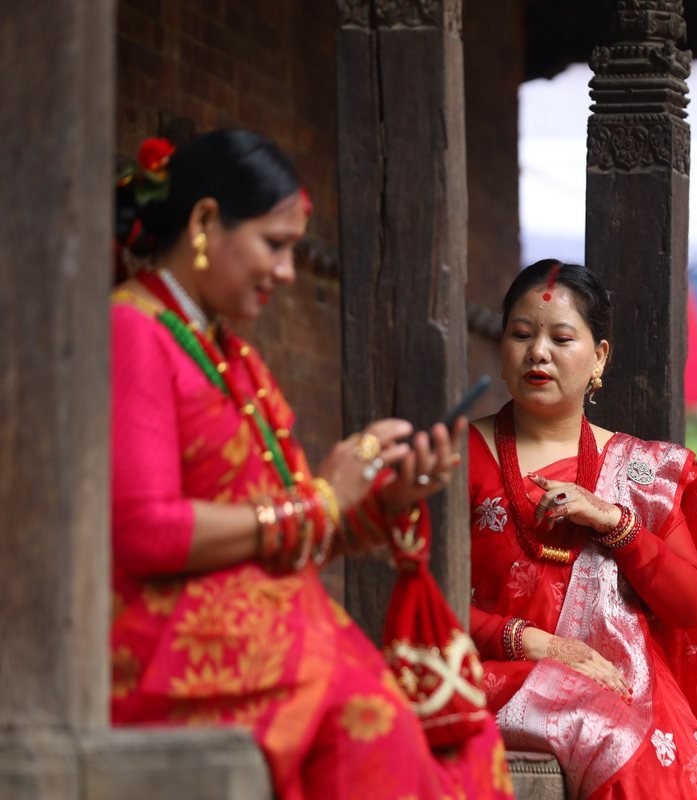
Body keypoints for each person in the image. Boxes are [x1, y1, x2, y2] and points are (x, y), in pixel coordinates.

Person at [110, 130, 512, 800]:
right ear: (206, 221)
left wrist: (382, 501)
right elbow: (144, 532)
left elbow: (291, 533)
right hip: (168, 639)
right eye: (275, 244)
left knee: (462, 739)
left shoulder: (233, 357)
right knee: (377, 725)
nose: (289, 273)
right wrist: (323, 498)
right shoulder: (132, 330)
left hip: (265, 628)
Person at [466, 260, 697, 799]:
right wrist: (530, 642)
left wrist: (617, 525)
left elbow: (692, 606)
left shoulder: (640, 472)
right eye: (521, 335)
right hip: (491, 677)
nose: (538, 352)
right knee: (605, 728)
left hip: (623, 688)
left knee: (639, 739)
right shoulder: (457, 454)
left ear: (599, 358)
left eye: (561, 337)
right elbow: (419, 592)